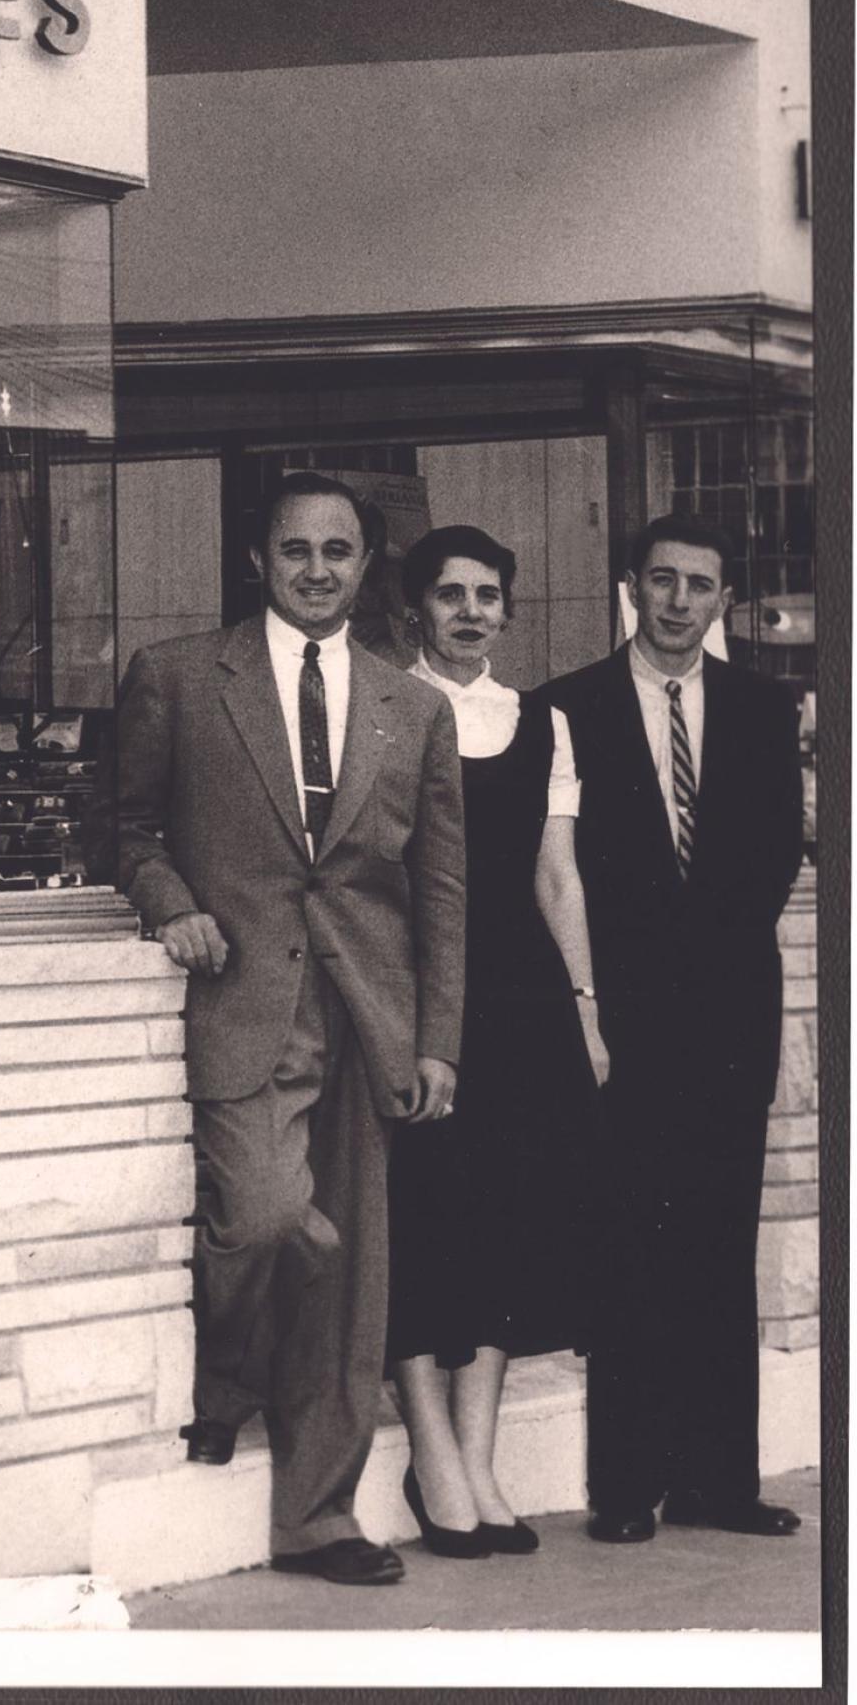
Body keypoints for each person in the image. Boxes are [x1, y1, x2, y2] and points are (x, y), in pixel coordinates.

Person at [84, 472, 466, 1587]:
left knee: (353, 1288)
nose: (314, 568)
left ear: (364, 566)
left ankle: (318, 1521)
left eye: (336, 551)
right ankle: (229, 1381)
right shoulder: (177, 677)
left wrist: (436, 1038)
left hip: (370, 1018)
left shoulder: (415, 706)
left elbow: (441, 888)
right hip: (246, 1000)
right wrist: (172, 903)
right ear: (256, 559)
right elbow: (124, 829)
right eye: (293, 548)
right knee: (260, 1220)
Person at [546, 516, 805, 1544]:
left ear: (722, 601)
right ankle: (624, 1488)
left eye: (698, 585)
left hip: (728, 1023)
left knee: (714, 1250)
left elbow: (770, 857)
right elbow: (564, 869)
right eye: (660, 581)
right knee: (626, 1250)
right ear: (629, 589)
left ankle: (715, 1483)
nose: (677, 601)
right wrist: (609, 1003)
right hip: (620, 1024)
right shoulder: (567, 707)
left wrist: (702, 984)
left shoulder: (757, 706)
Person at [383, 526, 607, 1559]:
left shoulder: (542, 722)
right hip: (421, 995)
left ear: (507, 610)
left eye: (485, 595)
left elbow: (554, 876)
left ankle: (477, 1461)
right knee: (427, 1220)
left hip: (518, 999)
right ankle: (430, 1456)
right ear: (415, 609)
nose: (468, 611)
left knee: (506, 1224)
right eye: (448, 595)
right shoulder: (385, 708)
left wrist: (586, 1010)